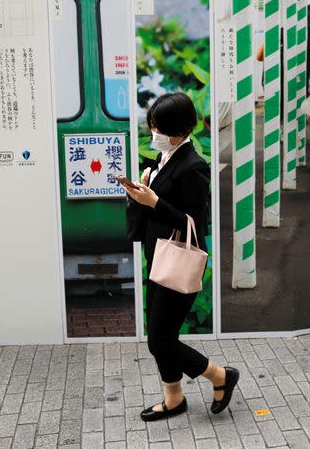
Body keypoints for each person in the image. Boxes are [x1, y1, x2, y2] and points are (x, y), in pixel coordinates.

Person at [125, 92, 239, 421]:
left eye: (158, 128)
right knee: (162, 338)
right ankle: (174, 399)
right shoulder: (164, 159)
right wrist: (143, 191)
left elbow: (192, 221)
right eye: (152, 127)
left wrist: (154, 203)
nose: (153, 134)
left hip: (177, 261)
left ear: (178, 129)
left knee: (160, 340)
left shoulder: (193, 166)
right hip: (158, 258)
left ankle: (221, 376)